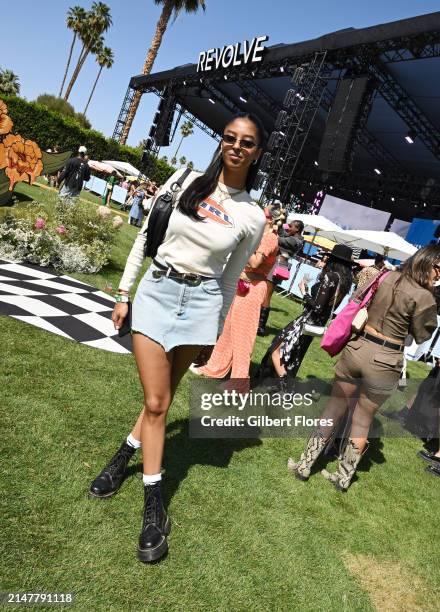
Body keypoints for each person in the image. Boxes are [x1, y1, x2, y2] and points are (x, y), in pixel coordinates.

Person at [88, 113, 266, 563]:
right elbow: (146, 236)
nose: (237, 147)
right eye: (230, 138)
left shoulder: (252, 214)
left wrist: (216, 327)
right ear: (222, 142)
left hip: (203, 303)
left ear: (257, 152)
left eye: (247, 142)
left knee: (160, 400)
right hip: (157, 292)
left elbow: (230, 277)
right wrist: (124, 292)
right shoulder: (185, 179)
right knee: (156, 402)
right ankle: (154, 506)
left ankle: (120, 458)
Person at [288, 244, 440, 491]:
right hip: (386, 359)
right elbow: (422, 335)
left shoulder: (385, 276)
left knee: (333, 409)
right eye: (439, 269)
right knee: (362, 420)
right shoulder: (424, 297)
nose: (439, 275)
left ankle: (305, 465)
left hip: (358, 348)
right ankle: (343, 478)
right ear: (429, 264)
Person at [192, 207, 279, 385]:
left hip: (253, 289)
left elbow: (255, 262)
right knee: (227, 329)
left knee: (243, 336)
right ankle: (215, 367)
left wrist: (244, 245)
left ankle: (239, 382)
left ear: (269, 220)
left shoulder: (270, 238)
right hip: (241, 285)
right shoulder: (259, 235)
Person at [257, 244, 354, 390]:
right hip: (316, 324)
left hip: (306, 321)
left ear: (334, 260)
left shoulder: (330, 277)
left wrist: (304, 292)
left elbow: (318, 307)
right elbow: (326, 306)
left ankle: (285, 385)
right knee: (295, 355)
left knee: (276, 348)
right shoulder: (343, 282)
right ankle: (281, 384)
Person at [258, 219, 305, 336]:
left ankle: (261, 326)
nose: (288, 227)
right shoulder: (293, 237)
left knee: (266, 296)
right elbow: (283, 231)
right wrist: (282, 221)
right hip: (276, 265)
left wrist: (279, 225)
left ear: (297, 229)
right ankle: (257, 323)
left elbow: (278, 238)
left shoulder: (294, 241)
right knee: (263, 294)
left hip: (277, 266)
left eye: (291, 226)